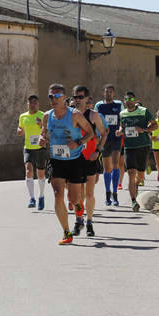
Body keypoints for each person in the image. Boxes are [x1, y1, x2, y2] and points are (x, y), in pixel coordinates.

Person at [39, 83, 95, 245]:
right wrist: (43, 140)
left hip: (75, 161)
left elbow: (90, 133)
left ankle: (78, 207)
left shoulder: (75, 115)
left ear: (64, 98)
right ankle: (66, 232)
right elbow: (44, 134)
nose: (53, 99)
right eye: (51, 96)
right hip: (57, 160)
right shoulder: (47, 116)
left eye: (57, 96)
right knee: (58, 196)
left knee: (73, 198)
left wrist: (78, 142)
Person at [73, 85, 106, 236]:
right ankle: (79, 220)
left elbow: (104, 134)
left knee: (89, 193)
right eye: (75, 97)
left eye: (80, 97)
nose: (77, 100)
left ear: (87, 99)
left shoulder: (93, 115)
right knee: (77, 194)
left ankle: (90, 222)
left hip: (89, 158)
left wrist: (98, 151)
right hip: (74, 159)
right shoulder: (70, 114)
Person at [117, 91, 157, 212]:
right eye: (127, 99)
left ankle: (136, 185)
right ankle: (134, 201)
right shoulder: (122, 113)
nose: (129, 101)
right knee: (130, 172)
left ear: (135, 100)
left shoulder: (144, 111)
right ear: (124, 101)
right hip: (129, 147)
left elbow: (155, 126)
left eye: (131, 99)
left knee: (140, 175)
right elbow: (122, 127)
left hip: (143, 146)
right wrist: (119, 131)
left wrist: (144, 129)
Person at [94, 84, 124, 207]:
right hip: (104, 139)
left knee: (116, 164)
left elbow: (122, 120)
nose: (108, 94)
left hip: (116, 138)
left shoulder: (118, 104)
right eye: (106, 92)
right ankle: (108, 194)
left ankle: (115, 194)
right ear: (103, 93)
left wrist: (121, 130)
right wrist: (97, 137)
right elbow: (95, 121)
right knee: (107, 168)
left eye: (110, 92)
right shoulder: (99, 105)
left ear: (114, 93)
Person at [17, 95, 47, 210]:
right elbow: (19, 129)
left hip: (40, 148)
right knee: (28, 170)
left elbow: (47, 129)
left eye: (35, 102)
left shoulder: (43, 115)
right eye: (30, 102)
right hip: (28, 148)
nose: (32, 104)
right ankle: (32, 198)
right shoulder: (23, 116)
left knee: (40, 173)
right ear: (27, 104)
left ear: (38, 104)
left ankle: (41, 196)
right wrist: (19, 131)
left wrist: (41, 125)